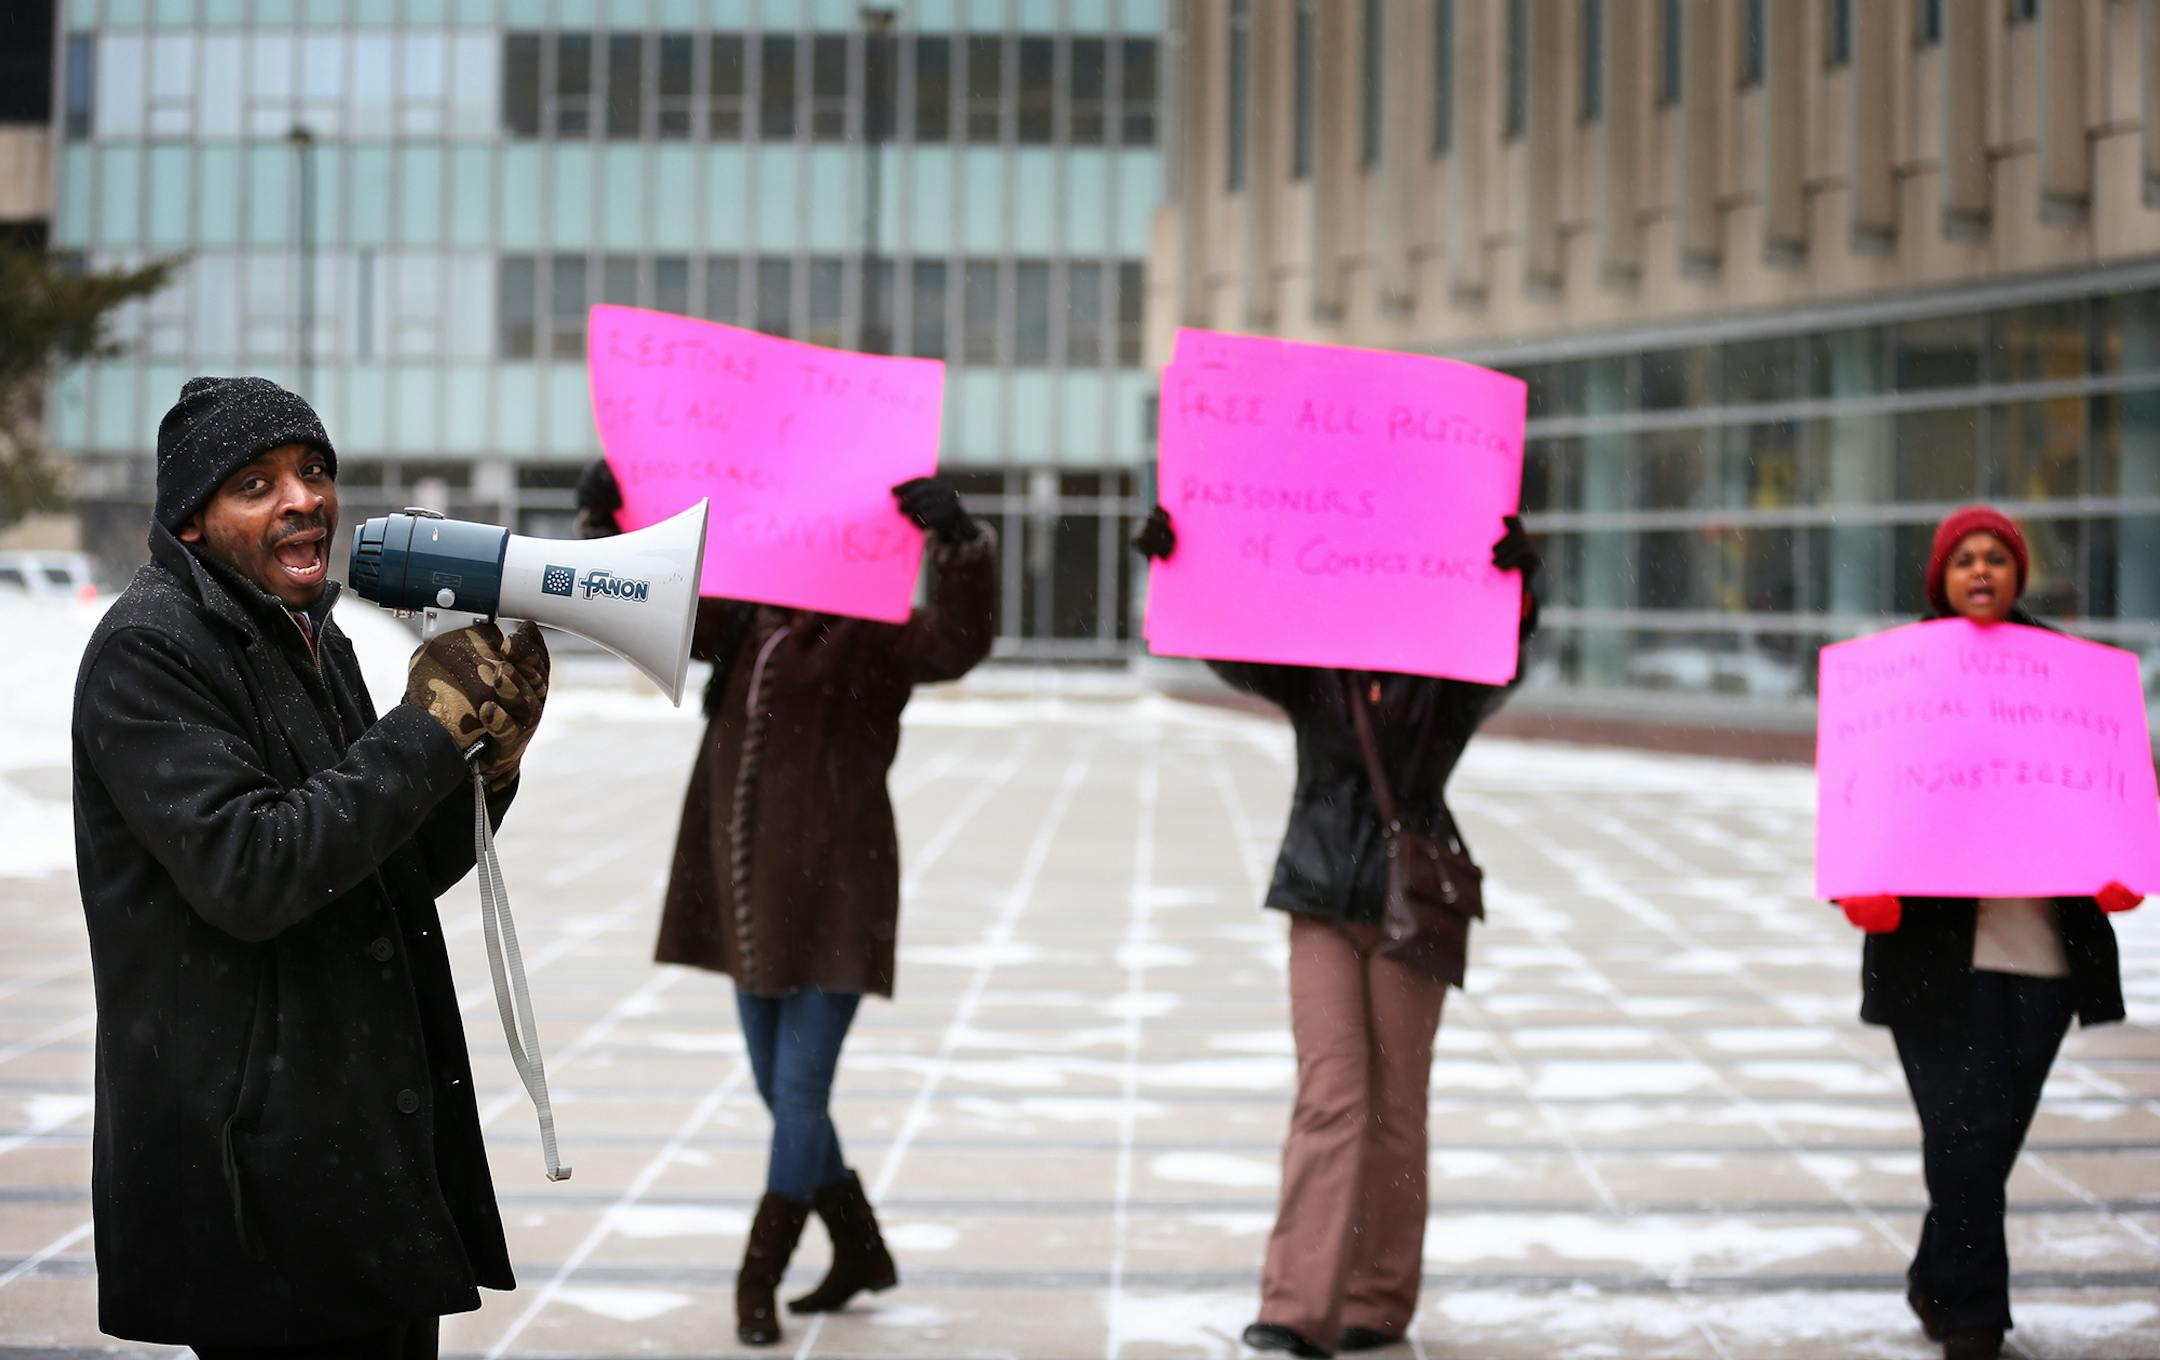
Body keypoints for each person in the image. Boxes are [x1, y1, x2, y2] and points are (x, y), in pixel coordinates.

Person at [71, 377, 550, 1359]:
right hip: (255, 1170)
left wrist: (482, 767)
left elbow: (376, 861)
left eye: (314, 470)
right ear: (193, 522)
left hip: (341, 1152)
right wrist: (423, 735)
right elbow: (251, 869)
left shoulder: (304, 635)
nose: (304, 498)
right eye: (257, 483)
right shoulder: (148, 649)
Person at [576, 459, 996, 1347]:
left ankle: (756, 1278)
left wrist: (958, 547)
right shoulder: (742, 622)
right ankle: (860, 1248)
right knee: (779, 1088)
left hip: (838, 895)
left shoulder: (876, 636)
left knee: (799, 1094)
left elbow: (957, 642)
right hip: (745, 895)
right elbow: (638, 603)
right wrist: (605, 523)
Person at [1132, 504, 1540, 1359]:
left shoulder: (1451, 666)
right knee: (1332, 1094)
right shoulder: (1314, 662)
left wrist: (1519, 587)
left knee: (1396, 1106)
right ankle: (1294, 1309)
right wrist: (1181, 564)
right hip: (1319, 893)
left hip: (1410, 903)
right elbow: (1230, 647)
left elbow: (1508, 660)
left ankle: (1379, 1299)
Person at [1833, 506, 2139, 1360]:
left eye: (1996, 558)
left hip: (2044, 952)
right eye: (1964, 558)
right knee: (1965, 1135)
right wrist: (1861, 883)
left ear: (2018, 576)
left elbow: (2112, 789)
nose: (1980, 570)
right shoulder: (1899, 676)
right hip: (1931, 954)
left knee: (1989, 1139)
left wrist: (2122, 853)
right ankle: (1975, 1318)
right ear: (1940, 576)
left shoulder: (2072, 680)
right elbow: (1866, 796)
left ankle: (1939, 1273)